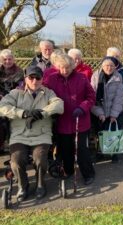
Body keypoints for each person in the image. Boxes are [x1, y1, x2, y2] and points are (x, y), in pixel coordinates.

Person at [0, 65, 64, 201]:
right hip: (20, 135)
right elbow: (2, 107)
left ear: (42, 79)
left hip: (41, 134)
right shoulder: (16, 93)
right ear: (26, 78)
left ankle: (41, 184)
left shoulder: (48, 93)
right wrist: (23, 113)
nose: (34, 81)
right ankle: (23, 186)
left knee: (40, 158)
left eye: (38, 78)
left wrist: (41, 113)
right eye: (31, 77)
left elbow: (59, 105)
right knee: (16, 160)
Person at [43, 54, 96, 185]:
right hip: (62, 120)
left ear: (72, 66)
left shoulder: (81, 78)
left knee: (81, 149)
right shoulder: (51, 79)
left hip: (80, 120)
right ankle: (69, 170)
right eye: (61, 67)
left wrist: (83, 107)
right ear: (57, 67)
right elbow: (41, 92)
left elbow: (91, 97)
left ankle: (88, 173)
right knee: (66, 149)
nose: (65, 70)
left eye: (67, 67)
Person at [91, 57, 123, 163]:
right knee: (99, 133)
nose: (109, 68)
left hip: (113, 111)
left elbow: (119, 97)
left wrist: (114, 114)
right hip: (99, 110)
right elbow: (92, 96)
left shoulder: (118, 77)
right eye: (106, 65)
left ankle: (114, 154)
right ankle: (100, 153)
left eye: (111, 66)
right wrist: (99, 113)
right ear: (102, 66)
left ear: (115, 67)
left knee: (113, 133)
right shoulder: (95, 76)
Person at [0, 49, 24, 154]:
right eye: (5, 59)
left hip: (14, 100)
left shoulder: (19, 71)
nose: (7, 61)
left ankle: (13, 151)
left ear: (13, 59)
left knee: (12, 126)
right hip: (0, 100)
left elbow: (21, 86)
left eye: (10, 59)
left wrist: (11, 97)